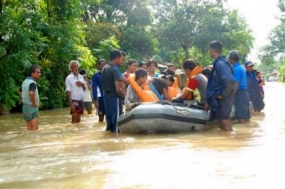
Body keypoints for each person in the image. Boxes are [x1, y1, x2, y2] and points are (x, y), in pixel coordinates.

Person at [206, 41, 236, 131]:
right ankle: (225, 140)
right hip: (217, 97)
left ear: (211, 50)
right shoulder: (217, 63)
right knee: (219, 121)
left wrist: (223, 94)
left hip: (223, 97)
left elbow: (230, 81)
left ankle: (230, 141)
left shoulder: (220, 64)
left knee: (224, 121)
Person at [102, 50, 125, 133]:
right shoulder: (115, 70)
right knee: (117, 124)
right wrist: (124, 97)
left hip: (106, 97)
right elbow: (118, 89)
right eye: (121, 59)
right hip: (115, 98)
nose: (121, 61)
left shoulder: (104, 68)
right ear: (118, 58)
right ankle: (117, 142)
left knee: (110, 123)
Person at [228, 50, 250, 123]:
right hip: (245, 93)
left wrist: (231, 96)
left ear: (231, 59)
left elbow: (236, 84)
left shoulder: (236, 69)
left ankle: (242, 133)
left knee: (241, 117)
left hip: (239, 94)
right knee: (246, 116)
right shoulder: (242, 68)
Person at [20, 65, 41, 130]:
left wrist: (23, 98)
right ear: (32, 73)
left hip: (25, 107)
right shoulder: (32, 83)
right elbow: (31, 93)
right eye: (38, 72)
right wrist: (34, 103)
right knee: (34, 131)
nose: (40, 74)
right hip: (32, 108)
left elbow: (20, 91)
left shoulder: (24, 82)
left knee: (29, 129)